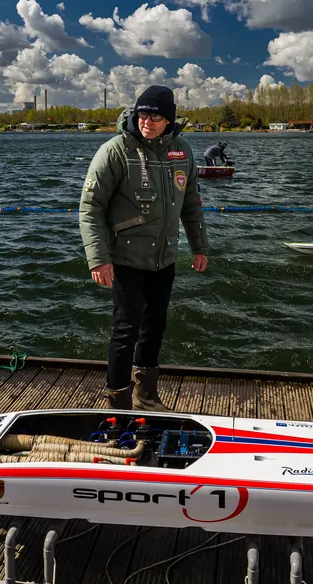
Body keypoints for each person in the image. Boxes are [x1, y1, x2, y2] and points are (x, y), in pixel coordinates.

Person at [79, 85, 209, 411]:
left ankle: (146, 397)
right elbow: (91, 206)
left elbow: (191, 203)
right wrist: (98, 259)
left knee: (156, 325)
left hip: (164, 258)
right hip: (125, 259)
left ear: (169, 120)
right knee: (126, 330)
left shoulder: (182, 152)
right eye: (142, 113)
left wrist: (199, 248)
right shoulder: (115, 151)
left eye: (155, 115)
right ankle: (118, 404)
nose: (147, 121)